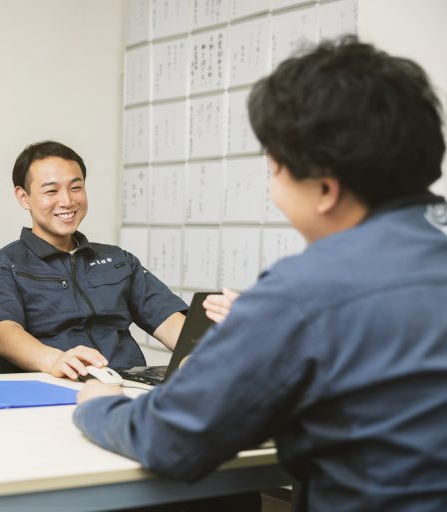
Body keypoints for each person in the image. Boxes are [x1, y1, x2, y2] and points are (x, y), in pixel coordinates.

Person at [74, 37, 447, 512]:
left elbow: (170, 438)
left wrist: (97, 404)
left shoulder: (307, 290)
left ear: (325, 188)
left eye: (274, 170)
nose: (272, 189)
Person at [0, 141, 188, 380]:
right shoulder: (1, 267)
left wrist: (201, 352)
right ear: (24, 197)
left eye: (76, 188)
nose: (67, 201)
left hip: (128, 386)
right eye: (51, 191)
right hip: (57, 386)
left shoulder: (118, 259)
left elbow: (168, 320)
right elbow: (5, 335)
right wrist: (55, 360)